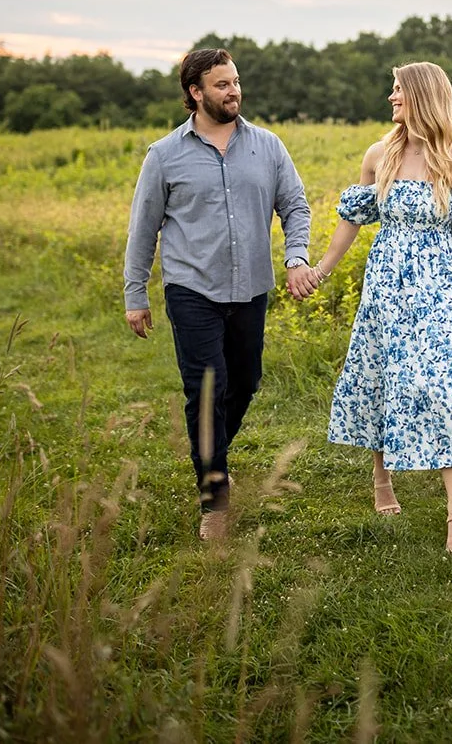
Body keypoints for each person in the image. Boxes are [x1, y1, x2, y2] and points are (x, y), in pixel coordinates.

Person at [123, 48, 317, 541]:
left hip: (251, 286)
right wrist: (135, 294)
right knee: (205, 390)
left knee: (245, 380)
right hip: (191, 288)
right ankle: (214, 501)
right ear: (195, 93)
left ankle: (212, 457)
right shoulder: (164, 155)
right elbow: (143, 229)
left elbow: (295, 204)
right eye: (222, 85)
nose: (233, 91)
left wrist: (296, 257)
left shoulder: (268, 146)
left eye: (235, 82)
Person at [307, 61, 452, 553]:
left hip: (440, 288)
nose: (391, 98)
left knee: (442, 386)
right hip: (386, 285)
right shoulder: (379, 155)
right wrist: (320, 270)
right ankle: (382, 480)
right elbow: (353, 218)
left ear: (422, 97)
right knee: (379, 377)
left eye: (398, 91)